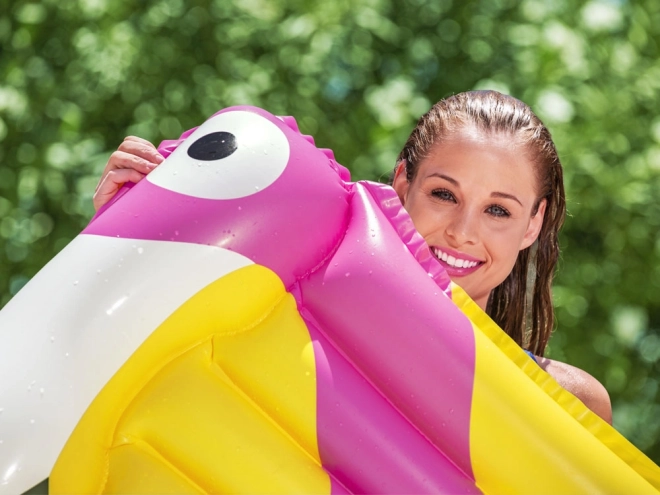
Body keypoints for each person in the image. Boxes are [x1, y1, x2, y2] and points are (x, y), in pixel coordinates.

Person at [93, 90, 612, 423]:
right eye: (444, 194)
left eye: (498, 210)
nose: (462, 232)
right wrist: (125, 233)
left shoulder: (567, 404)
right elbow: (135, 387)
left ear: (533, 223)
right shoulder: (284, 328)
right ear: (402, 184)